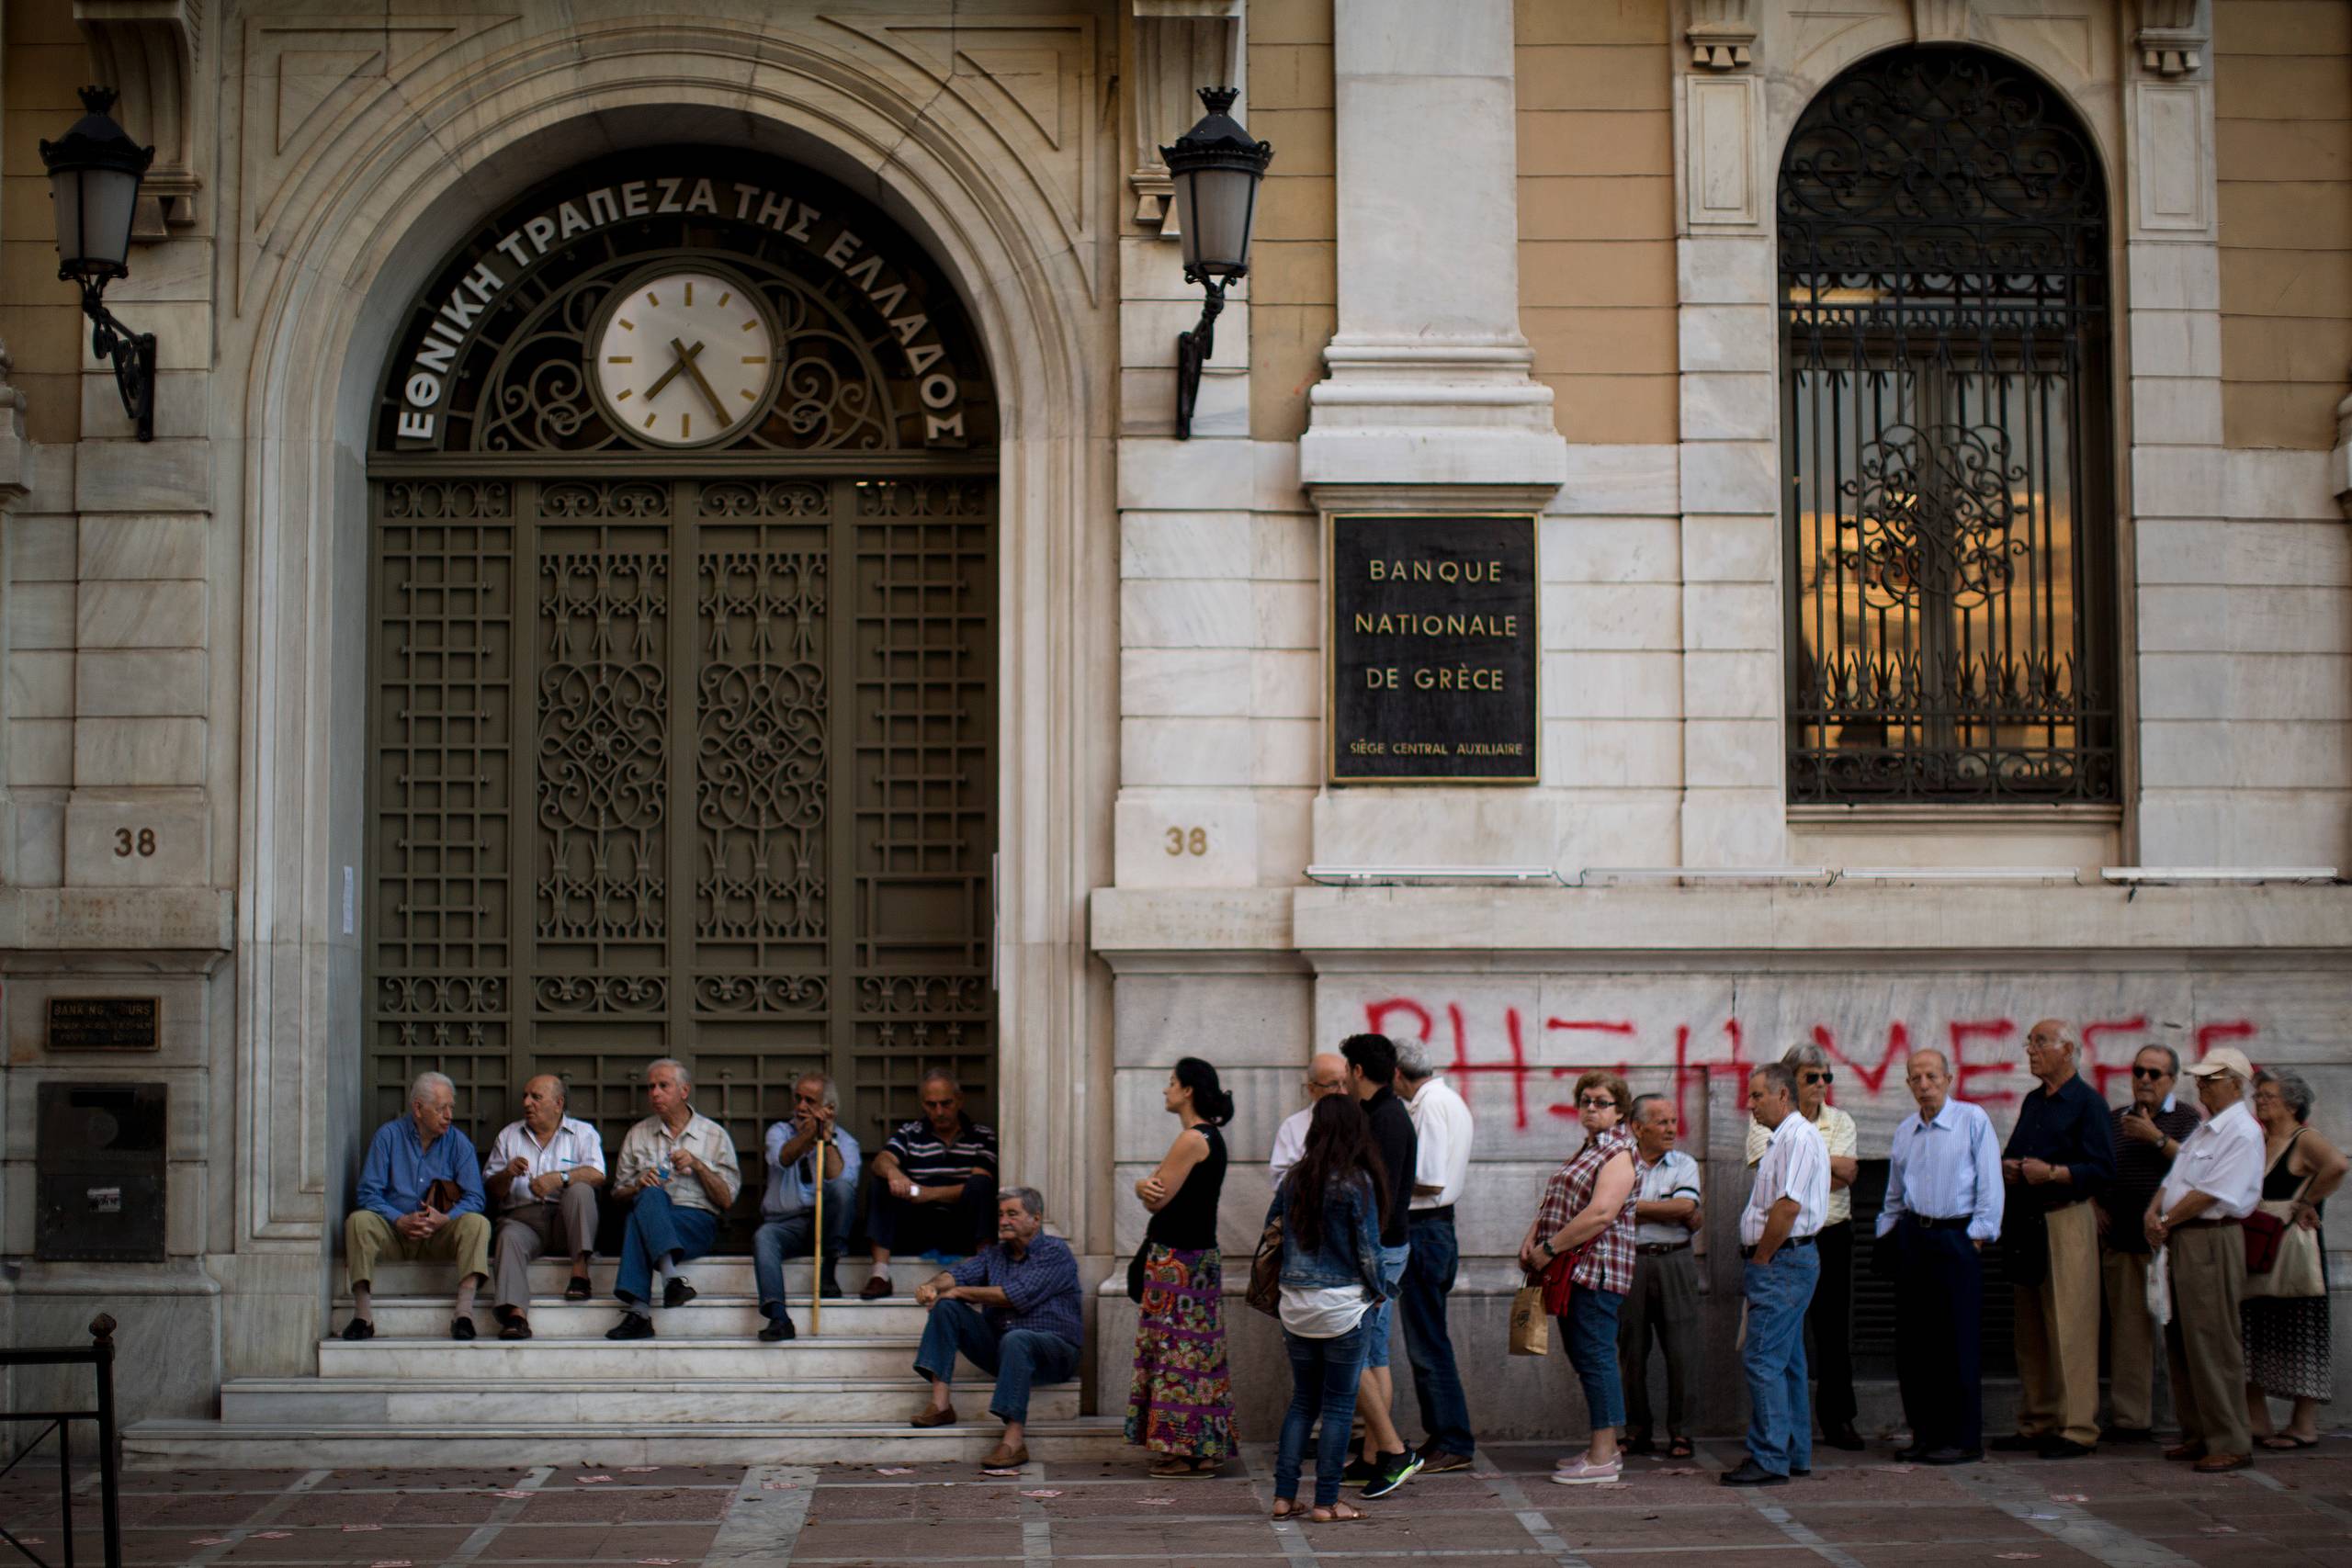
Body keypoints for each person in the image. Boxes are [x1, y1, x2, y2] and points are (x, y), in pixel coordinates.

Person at [1267, 1094, 1390, 1525]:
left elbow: (1272, 1234)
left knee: (1303, 1401)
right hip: (1342, 1306)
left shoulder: (1294, 1180)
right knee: (1338, 1406)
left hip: (1296, 1304)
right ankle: (1326, 1502)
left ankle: (1284, 1497)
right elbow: (1369, 1251)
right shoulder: (1357, 1183)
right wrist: (1380, 1291)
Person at [1877, 1048, 2003, 1464]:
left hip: (1956, 1237)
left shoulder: (1972, 1120)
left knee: (1957, 1341)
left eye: (1932, 1076)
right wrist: (1887, 1235)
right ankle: (1925, 1434)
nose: (1924, 1084)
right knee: (1915, 1344)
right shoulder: (1905, 1131)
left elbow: (1990, 1184)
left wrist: (1978, 1237)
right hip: (1915, 1235)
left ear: (1949, 1078)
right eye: (1916, 1077)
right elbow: (1894, 1194)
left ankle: (1963, 1438)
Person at [1996, 1019, 2115, 1459]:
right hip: (2029, 1219)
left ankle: (2077, 1427)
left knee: (2071, 1325)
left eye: (2040, 1042)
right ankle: (2037, 1420)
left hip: (2067, 1220)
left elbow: (2103, 1169)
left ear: (2067, 1050)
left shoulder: (2088, 1104)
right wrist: (2010, 1166)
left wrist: (2054, 1173)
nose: (2031, 1049)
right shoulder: (2033, 1101)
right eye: (2030, 1042)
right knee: (2030, 1329)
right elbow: (2016, 1150)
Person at [2145, 1046, 2267, 1472]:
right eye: (2201, 1079)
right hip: (2183, 1236)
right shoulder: (2205, 1129)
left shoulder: (2242, 1132)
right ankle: (2198, 1432)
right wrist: (2156, 1212)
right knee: (2182, 1339)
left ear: (2235, 1084)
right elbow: (2175, 1178)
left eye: (2211, 1080)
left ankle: (2231, 1438)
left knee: (2214, 1340)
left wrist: (2166, 1219)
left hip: (2210, 1239)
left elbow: (2215, 1192)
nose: (2201, 1086)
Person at [908, 1187, 1083, 1471]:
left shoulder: (1055, 1252)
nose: (1003, 1221)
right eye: (1001, 1215)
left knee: (1017, 1338)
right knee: (946, 1307)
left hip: (1055, 1353)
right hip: (1005, 1351)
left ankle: (1014, 1442)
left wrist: (959, 1292)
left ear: (1035, 1219)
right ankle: (941, 1406)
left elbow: (1014, 1295)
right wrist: (933, 1286)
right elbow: (957, 1274)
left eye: (1012, 1214)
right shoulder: (995, 1255)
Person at [1524, 1070, 1640, 1484]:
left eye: (1601, 1102)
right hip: (1573, 1272)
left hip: (1596, 1271)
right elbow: (1557, 1201)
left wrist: (1550, 1248)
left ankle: (1605, 1456)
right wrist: (1532, 1238)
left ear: (1620, 1110)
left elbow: (1601, 1213)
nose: (1591, 1108)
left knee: (1596, 1358)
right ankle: (1599, 1448)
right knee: (1586, 1358)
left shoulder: (1619, 1153)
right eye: (1585, 1100)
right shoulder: (1589, 1149)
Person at [1745, 1043, 1860, 1450]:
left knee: (1817, 1338)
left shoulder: (1819, 1128)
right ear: (1790, 1083)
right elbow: (1827, 1172)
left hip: (1807, 1241)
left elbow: (1844, 1176)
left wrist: (1761, 1258)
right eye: (1812, 1077)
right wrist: (1828, 1166)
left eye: (1826, 1076)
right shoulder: (1771, 1130)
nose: (1821, 1085)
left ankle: (1787, 1445)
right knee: (1788, 1351)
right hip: (1787, 1240)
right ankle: (1791, 1443)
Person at [1126, 1056, 1238, 1477]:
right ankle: (1203, 1448)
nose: (1165, 1089)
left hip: (1177, 1261)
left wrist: (1143, 1186)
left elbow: (1157, 1195)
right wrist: (1143, 1184)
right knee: (1199, 1355)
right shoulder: (1210, 1137)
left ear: (1188, 1090)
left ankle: (1180, 1449)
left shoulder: (1193, 1138)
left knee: (1175, 1357)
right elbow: (1155, 1185)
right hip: (1199, 1258)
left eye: (1172, 1082)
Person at [1723, 1061, 1828, 1487]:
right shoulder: (1781, 1139)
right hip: (1782, 1260)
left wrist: (1763, 1257)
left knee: (1764, 1358)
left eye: (1757, 1095)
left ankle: (1769, 1457)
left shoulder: (1799, 1138)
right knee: (1787, 1362)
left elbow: (1788, 1206)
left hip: (1783, 1262)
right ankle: (1792, 1452)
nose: (1750, 1104)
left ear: (1782, 1095)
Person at [2098, 1044, 2200, 1442]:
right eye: (2139, 1071)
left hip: (2174, 1244)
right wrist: (2093, 1204)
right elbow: (2095, 1166)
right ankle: (2131, 1421)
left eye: (2154, 1074)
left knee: (2184, 1335)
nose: (2144, 1079)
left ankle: (2195, 1420)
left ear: (2172, 1079)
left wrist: (2156, 1139)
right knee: (2128, 1335)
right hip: (2123, 1241)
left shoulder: (2187, 1119)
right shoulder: (2114, 1119)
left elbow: (2198, 1170)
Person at [343, 1071, 493, 1341]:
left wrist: (445, 1220)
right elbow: (367, 1193)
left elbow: (476, 1198)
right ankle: (363, 1316)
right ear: (418, 1108)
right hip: (395, 1234)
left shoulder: (458, 1143)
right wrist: (398, 1219)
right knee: (358, 1220)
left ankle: (464, 1315)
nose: (449, 1115)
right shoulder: (387, 1137)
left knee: (478, 1223)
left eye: (451, 1108)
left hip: (440, 1236)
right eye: (441, 1108)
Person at [2242, 1067, 2347, 1449]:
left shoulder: (2306, 1140)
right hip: (2260, 1245)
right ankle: (2258, 1421)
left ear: (2291, 1102)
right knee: (2252, 1328)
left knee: (2302, 1331)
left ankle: (2304, 1424)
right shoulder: (2261, 1139)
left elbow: (2338, 1164)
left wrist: (2307, 1200)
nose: (2260, 1101)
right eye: (2258, 1096)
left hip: (2293, 1247)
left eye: (2268, 1096)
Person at [605, 1057, 741, 1340]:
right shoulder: (638, 1134)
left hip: (694, 1223)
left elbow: (726, 1200)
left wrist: (699, 1165)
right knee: (649, 1195)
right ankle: (671, 1280)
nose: (654, 1093)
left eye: (663, 1086)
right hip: (653, 1215)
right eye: (651, 1087)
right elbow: (618, 1192)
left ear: (684, 1091)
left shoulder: (714, 1135)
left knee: (638, 1219)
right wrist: (638, 1184)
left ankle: (640, 1313)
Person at [1339, 1032, 1421, 1497]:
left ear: (1355, 1071)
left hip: (1379, 1251)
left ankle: (1392, 1453)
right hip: (1382, 1249)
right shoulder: (1378, 1113)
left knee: (1356, 1353)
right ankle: (1373, 1455)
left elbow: (1381, 1197)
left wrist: (1360, 1253)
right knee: (1373, 1355)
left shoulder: (1387, 1119)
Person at [1397, 1036, 1476, 1472]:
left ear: (1395, 1073)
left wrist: (1382, 1183)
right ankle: (1444, 1434)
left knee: (1427, 1343)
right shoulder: (1447, 1099)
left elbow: (1427, 1179)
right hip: (1435, 1229)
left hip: (1425, 1228)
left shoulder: (1429, 1105)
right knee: (1428, 1339)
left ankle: (1453, 1438)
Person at [481, 1073, 605, 1339]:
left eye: (536, 1097)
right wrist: (507, 1173)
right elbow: (492, 1189)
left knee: (581, 1190)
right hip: (524, 1220)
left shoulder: (583, 1133)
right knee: (509, 1236)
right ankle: (515, 1316)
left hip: (565, 1220)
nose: (527, 1103)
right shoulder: (509, 1136)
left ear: (558, 1103)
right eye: (525, 1096)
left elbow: (597, 1174)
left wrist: (560, 1178)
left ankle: (580, 1274)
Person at [864, 1070, 1000, 1298]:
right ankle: (880, 1275)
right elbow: (881, 1160)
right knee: (881, 1181)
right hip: (919, 1225)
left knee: (980, 1187)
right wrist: (894, 1173)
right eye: (931, 1105)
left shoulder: (982, 1136)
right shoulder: (911, 1133)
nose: (939, 1112)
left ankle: (984, 1269)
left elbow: (981, 1181)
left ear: (959, 1100)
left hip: (962, 1226)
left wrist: (929, 1193)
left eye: (945, 1103)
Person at [1618, 1092, 1702, 1461]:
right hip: (1631, 1262)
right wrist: (1667, 1210)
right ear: (1638, 1127)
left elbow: (1687, 1207)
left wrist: (1630, 1208)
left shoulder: (1683, 1163)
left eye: (1672, 1120)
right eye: (1662, 1122)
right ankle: (1637, 1431)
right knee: (1631, 1352)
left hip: (1674, 1261)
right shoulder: (1619, 1164)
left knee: (1681, 1352)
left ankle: (1682, 1433)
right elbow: (1606, 1208)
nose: (1672, 1128)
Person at [752, 1072, 862, 1341]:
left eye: (810, 1101)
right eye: (798, 1098)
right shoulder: (780, 1131)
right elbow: (782, 1159)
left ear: (829, 1108)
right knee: (763, 1237)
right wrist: (810, 1134)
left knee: (841, 1189)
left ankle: (828, 1272)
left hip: (825, 1226)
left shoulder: (845, 1142)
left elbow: (843, 1184)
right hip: (786, 1223)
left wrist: (826, 1138)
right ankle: (778, 1317)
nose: (801, 1106)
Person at [1270, 1053, 1351, 1184]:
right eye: (1333, 1084)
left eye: (1346, 1083)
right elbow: (1280, 1180)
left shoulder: (1361, 1121)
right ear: (1312, 1089)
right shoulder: (1292, 1126)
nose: (1342, 1092)